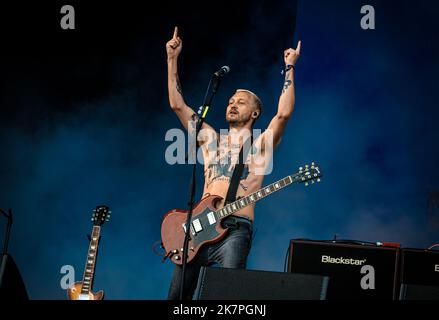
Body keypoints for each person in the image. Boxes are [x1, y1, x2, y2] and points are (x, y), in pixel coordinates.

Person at [166, 26, 300, 300]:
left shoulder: (261, 144)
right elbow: (178, 105)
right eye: (230, 101)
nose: (233, 104)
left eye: (241, 102)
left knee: (228, 297)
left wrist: (289, 67)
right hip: (198, 228)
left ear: (255, 112)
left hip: (235, 228)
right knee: (177, 298)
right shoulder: (211, 139)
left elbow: (284, 114)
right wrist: (172, 59)